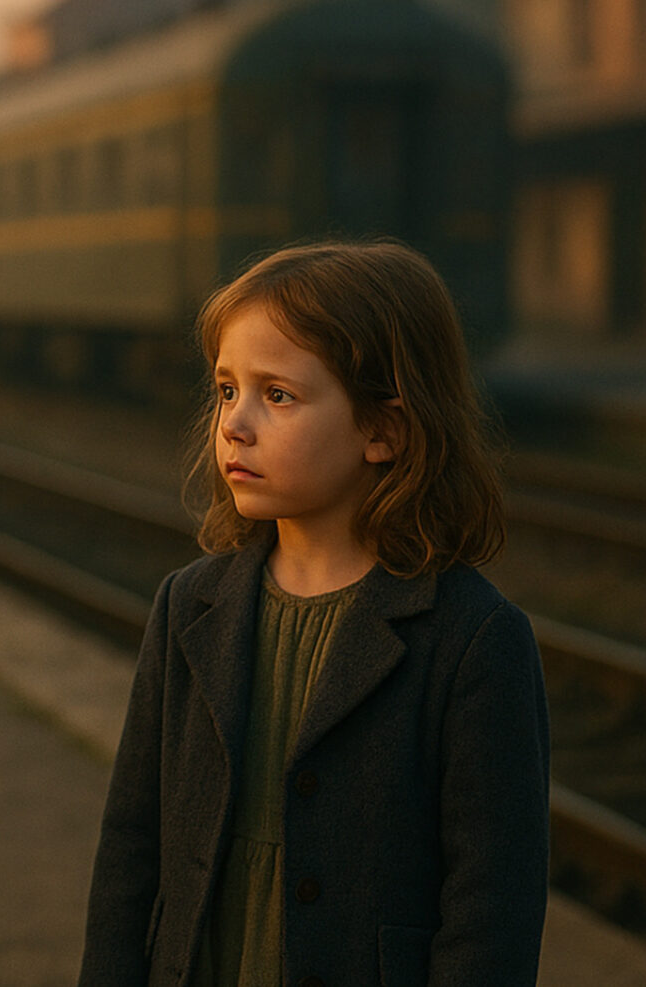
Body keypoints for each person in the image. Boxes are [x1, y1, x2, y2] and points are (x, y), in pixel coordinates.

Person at [78, 241, 550, 986]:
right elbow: (131, 852)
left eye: (279, 395)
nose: (234, 423)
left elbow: (491, 910)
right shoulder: (188, 607)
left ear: (384, 430)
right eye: (227, 389)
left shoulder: (472, 640)